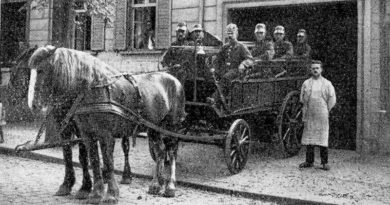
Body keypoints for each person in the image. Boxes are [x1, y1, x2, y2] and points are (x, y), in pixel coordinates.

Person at [299, 60, 336, 171]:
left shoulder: (327, 83)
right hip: (310, 111)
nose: (315, 70)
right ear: (310, 70)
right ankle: (309, 161)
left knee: (322, 136)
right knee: (309, 136)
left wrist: (326, 109)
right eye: (313, 68)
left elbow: (332, 99)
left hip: (322, 112)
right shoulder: (306, 83)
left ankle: (324, 162)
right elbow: (302, 98)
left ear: (321, 70)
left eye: (317, 68)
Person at [208, 23, 253, 109]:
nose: (230, 36)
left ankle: (215, 99)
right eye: (228, 33)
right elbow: (218, 59)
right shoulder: (225, 47)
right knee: (213, 77)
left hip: (237, 72)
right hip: (226, 71)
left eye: (232, 33)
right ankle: (217, 102)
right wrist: (214, 68)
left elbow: (250, 59)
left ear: (236, 34)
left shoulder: (241, 47)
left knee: (226, 77)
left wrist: (243, 64)